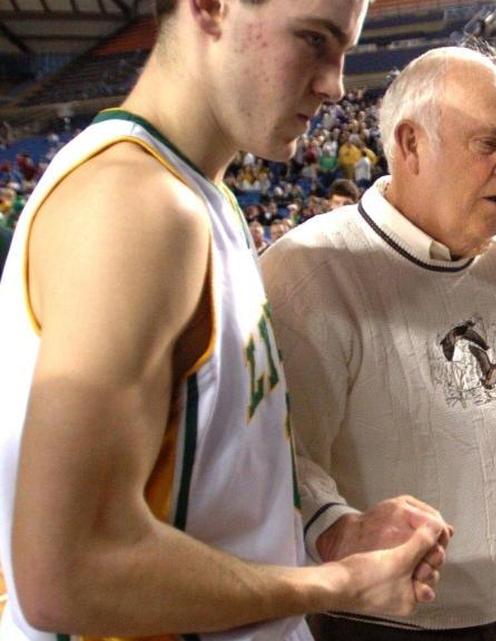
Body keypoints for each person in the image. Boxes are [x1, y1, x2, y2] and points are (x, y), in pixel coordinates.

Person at [0, 1, 452, 639]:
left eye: (345, 50)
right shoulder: (135, 208)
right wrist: (335, 586)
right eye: (314, 40)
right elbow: (69, 570)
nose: (336, 83)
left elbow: (215, 483)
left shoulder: (197, 195)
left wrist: (333, 535)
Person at [261, 46, 496, 641]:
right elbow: (275, 458)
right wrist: (338, 529)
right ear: (411, 145)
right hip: (377, 620)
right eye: (488, 144)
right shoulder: (309, 274)